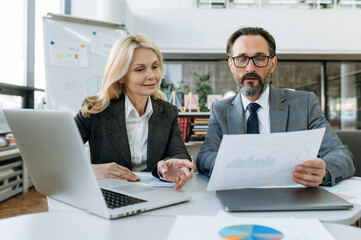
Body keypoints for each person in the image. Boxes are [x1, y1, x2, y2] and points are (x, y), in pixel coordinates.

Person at [196, 27, 355, 187]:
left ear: (273, 64)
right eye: (241, 59)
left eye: (259, 58)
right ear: (231, 64)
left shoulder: (304, 104)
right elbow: (205, 157)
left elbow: (342, 155)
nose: (250, 68)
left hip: (293, 199)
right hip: (239, 195)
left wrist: (323, 172)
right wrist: (236, 167)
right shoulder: (220, 110)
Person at [75, 34, 195, 190]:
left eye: (155, 66)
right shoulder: (95, 109)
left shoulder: (167, 112)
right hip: (109, 193)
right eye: (140, 69)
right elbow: (59, 152)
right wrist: (92, 170)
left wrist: (171, 166)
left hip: (154, 195)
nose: (151, 76)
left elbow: (179, 153)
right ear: (121, 76)